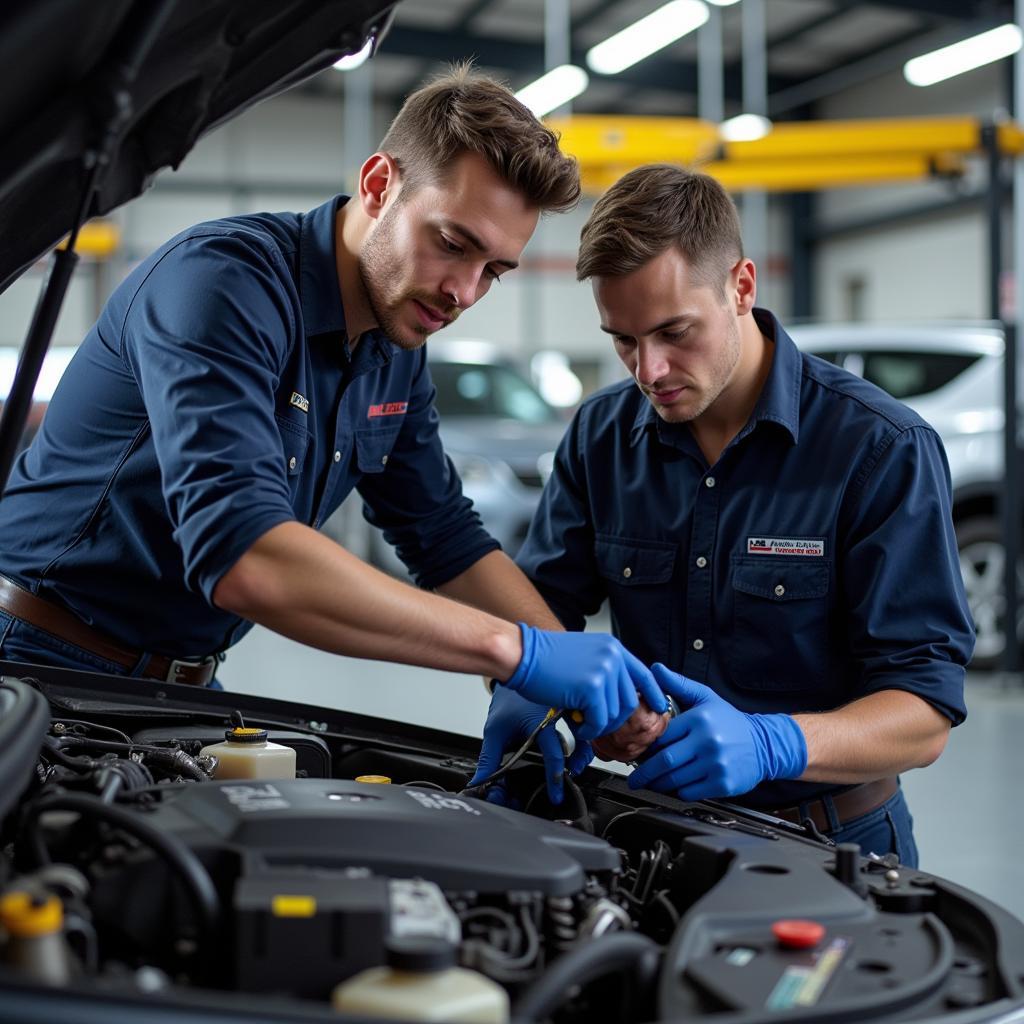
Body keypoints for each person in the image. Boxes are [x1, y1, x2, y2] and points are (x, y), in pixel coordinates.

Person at [0, 67, 667, 763]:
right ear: (379, 185)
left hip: (186, 688)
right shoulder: (224, 284)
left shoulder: (395, 343)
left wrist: (580, 673)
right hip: (37, 663)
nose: (464, 293)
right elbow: (247, 557)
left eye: (494, 270)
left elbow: (442, 534)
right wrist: (516, 652)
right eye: (453, 243)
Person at [478, 164, 974, 862]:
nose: (648, 370)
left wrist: (775, 744)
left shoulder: (879, 448)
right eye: (623, 340)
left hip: (833, 844)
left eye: (674, 332)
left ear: (742, 286)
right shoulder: (600, 437)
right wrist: (530, 689)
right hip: (655, 835)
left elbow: (923, 714)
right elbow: (541, 613)